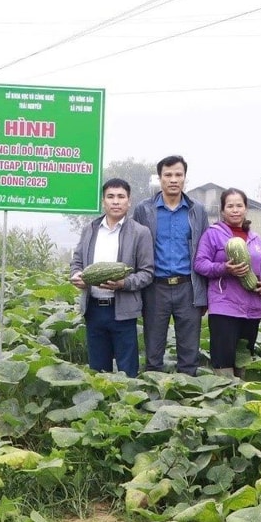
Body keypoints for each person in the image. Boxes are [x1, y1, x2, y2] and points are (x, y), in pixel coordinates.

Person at [133, 155, 209, 375]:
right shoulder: (144, 209)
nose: (173, 179)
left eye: (178, 174)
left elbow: (204, 250)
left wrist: (205, 293)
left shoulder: (197, 210)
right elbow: (136, 247)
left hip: (188, 287)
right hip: (156, 287)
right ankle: (153, 400)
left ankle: (186, 402)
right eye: (168, 175)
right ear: (160, 178)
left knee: (189, 352)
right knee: (154, 351)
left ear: (185, 178)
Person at [70, 178, 154, 376]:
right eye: (110, 197)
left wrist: (124, 283)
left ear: (129, 201)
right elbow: (76, 262)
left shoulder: (140, 233)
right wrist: (76, 275)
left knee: (128, 370)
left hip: (123, 311)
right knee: (98, 370)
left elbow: (147, 273)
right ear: (103, 201)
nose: (115, 201)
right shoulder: (89, 229)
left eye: (120, 197)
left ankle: (128, 405)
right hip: (94, 309)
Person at [194, 188, 261, 378]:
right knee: (223, 359)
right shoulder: (212, 234)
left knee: (244, 358)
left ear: (246, 209)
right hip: (224, 306)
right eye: (230, 206)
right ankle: (223, 398)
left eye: (239, 205)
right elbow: (200, 264)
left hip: (252, 307)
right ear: (222, 210)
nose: (235, 210)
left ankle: (242, 397)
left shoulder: (255, 239)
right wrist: (224, 268)